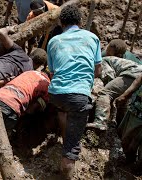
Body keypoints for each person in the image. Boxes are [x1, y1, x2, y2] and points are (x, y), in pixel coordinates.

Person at [46, 5, 102, 179]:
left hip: (56, 94)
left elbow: (53, 73)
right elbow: (98, 70)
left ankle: (65, 137)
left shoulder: (53, 41)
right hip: (78, 95)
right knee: (72, 149)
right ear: (80, 22)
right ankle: (67, 168)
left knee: (64, 109)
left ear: (61, 23)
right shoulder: (92, 38)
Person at [86, 56, 142, 130]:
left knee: (105, 93)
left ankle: (100, 122)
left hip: (133, 74)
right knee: (122, 102)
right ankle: (118, 128)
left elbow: (110, 76)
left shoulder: (102, 61)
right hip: (136, 74)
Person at [115, 74, 142, 165]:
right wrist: (125, 95)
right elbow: (139, 78)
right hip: (137, 109)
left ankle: (138, 167)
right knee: (126, 137)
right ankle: (130, 160)